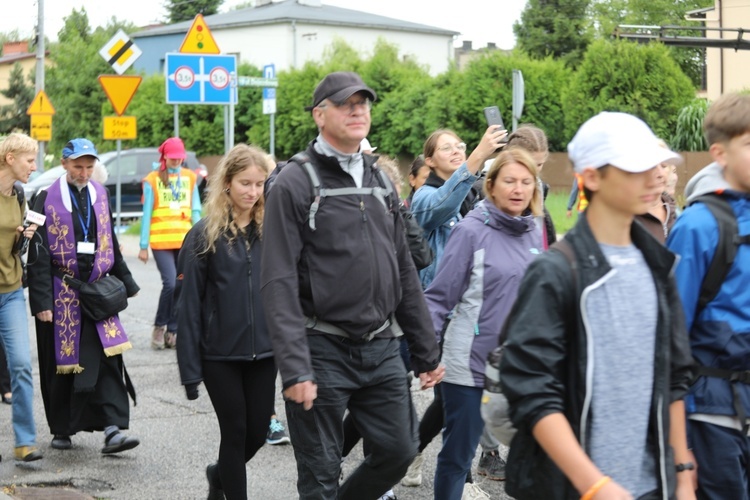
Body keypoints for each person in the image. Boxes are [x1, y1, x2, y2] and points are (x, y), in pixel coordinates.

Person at [260, 71, 444, 499]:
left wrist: (425, 350)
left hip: (380, 347)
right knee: (321, 471)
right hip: (320, 347)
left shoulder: (379, 179)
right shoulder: (295, 182)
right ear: (319, 115)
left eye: (363, 102)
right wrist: (295, 366)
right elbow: (278, 280)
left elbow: (402, 270)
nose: (358, 109)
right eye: (346, 103)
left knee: (400, 451)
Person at [499, 112, 695, 500]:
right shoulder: (555, 272)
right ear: (592, 177)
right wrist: (595, 486)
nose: (654, 175)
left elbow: (673, 378)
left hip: (653, 486)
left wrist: (683, 476)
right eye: (633, 167)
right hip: (572, 489)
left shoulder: (659, 265)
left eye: (654, 164)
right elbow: (532, 390)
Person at [424, 147, 543, 500]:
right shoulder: (470, 231)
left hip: (521, 365)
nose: (518, 189)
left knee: (533, 454)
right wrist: (427, 355)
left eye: (526, 182)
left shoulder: (536, 231)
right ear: (491, 185)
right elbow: (438, 297)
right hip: (470, 364)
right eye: (509, 181)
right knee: (458, 456)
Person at [404, 126, 508, 495]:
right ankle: (459, 482)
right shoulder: (425, 197)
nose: (457, 150)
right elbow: (439, 207)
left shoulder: (472, 193)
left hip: (472, 315)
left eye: (460, 146)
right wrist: (477, 155)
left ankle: (410, 452)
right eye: (447, 148)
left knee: (451, 404)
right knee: (455, 406)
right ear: (428, 160)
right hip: (440, 315)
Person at [27, 138, 140, 454]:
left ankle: (112, 429)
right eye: (78, 166)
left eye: (89, 166)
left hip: (98, 293)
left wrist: (126, 283)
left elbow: (111, 241)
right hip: (61, 295)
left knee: (107, 359)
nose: (84, 172)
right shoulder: (44, 199)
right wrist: (41, 302)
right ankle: (62, 429)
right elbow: (36, 253)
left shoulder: (100, 195)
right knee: (63, 364)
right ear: (63, 164)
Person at [176, 144, 275, 500]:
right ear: (227, 184)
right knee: (234, 432)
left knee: (258, 434)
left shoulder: (272, 232)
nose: (252, 192)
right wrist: (190, 371)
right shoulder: (204, 235)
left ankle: (218, 475)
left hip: (265, 352)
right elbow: (187, 306)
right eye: (245, 183)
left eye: (259, 184)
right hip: (219, 355)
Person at [666, 92, 750, 499]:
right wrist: (680, 456)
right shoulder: (698, 226)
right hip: (712, 411)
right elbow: (670, 343)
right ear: (720, 153)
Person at [0, 132, 42, 462]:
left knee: (21, 366)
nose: (34, 165)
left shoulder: (18, 193)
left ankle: (25, 441)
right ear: (10, 158)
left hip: (12, 291)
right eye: (30, 159)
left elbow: (16, 249)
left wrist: (23, 236)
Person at [139, 137, 201, 350]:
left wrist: (200, 236)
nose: (176, 162)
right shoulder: (152, 179)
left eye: (179, 158)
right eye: (173, 158)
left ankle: (173, 330)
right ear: (165, 157)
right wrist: (143, 245)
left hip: (184, 241)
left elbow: (196, 209)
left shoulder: (190, 178)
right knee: (171, 283)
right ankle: (159, 325)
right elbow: (146, 213)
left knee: (182, 284)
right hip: (160, 241)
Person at [504, 125, 557, 247]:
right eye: (528, 163)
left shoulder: (539, 188)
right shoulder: (484, 190)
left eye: (539, 165)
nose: (534, 170)